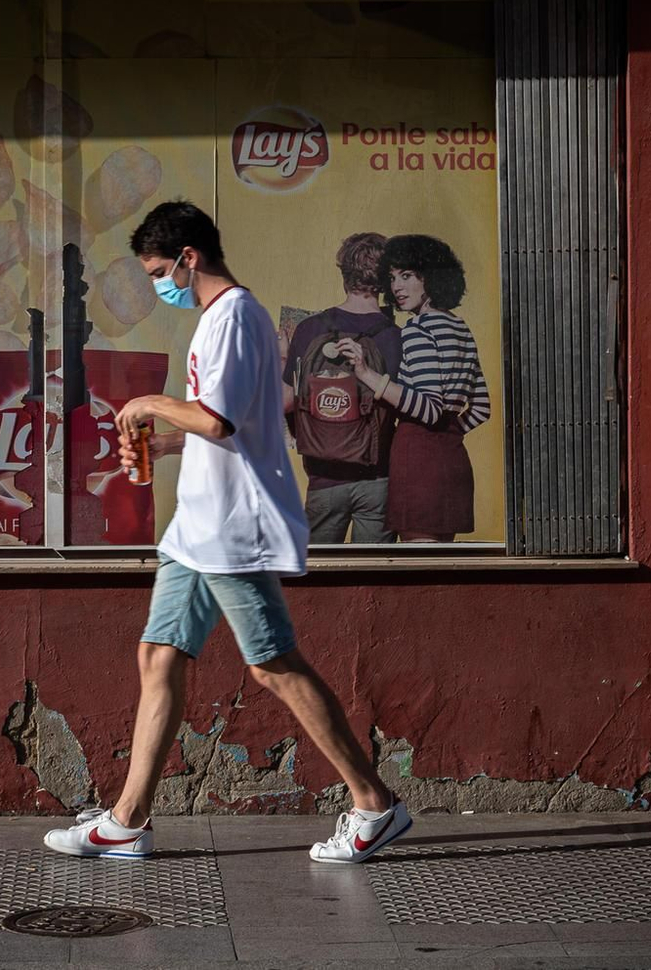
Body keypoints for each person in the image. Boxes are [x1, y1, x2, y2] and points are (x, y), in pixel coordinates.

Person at [42, 201, 410, 864]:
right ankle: (127, 820)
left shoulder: (235, 316)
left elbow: (218, 421)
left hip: (231, 528)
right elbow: (230, 422)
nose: (161, 286)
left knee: (273, 666)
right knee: (158, 656)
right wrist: (163, 442)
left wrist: (149, 404)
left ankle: (373, 804)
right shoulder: (219, 320)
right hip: (198, 527)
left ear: (189, 257)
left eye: (160, 271)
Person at [336, 234, 490, 543]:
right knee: (441, 567)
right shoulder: (460, 328)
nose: (396, 287)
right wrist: (449, 434)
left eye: (406, 275)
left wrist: (366, 374)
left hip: (419, 462)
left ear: (430, 276)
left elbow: (429, 409)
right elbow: (483, 407)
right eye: (392, 278)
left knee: (420, 562)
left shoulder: (418, 330)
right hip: (453, 461)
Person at [282, 233, 403, 544]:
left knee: (319, 583)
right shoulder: (396, 337)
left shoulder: (309, 329)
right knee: (375, 579)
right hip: (378, 479)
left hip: (323, 478)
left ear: (343, 274)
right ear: (385, 279)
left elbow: (285, 401)